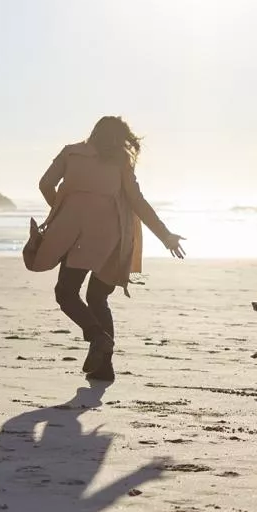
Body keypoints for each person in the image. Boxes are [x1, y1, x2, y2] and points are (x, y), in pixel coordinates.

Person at [28, 116, 185, 381]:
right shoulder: (120, 161)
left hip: (76, 236)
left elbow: (45, 184)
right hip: (113, 237)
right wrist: (165, 235)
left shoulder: (71, 152)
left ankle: (99, 338)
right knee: (98, 298)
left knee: (66, 293)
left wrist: (63, 211)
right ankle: (104, 367)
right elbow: (137, 202)